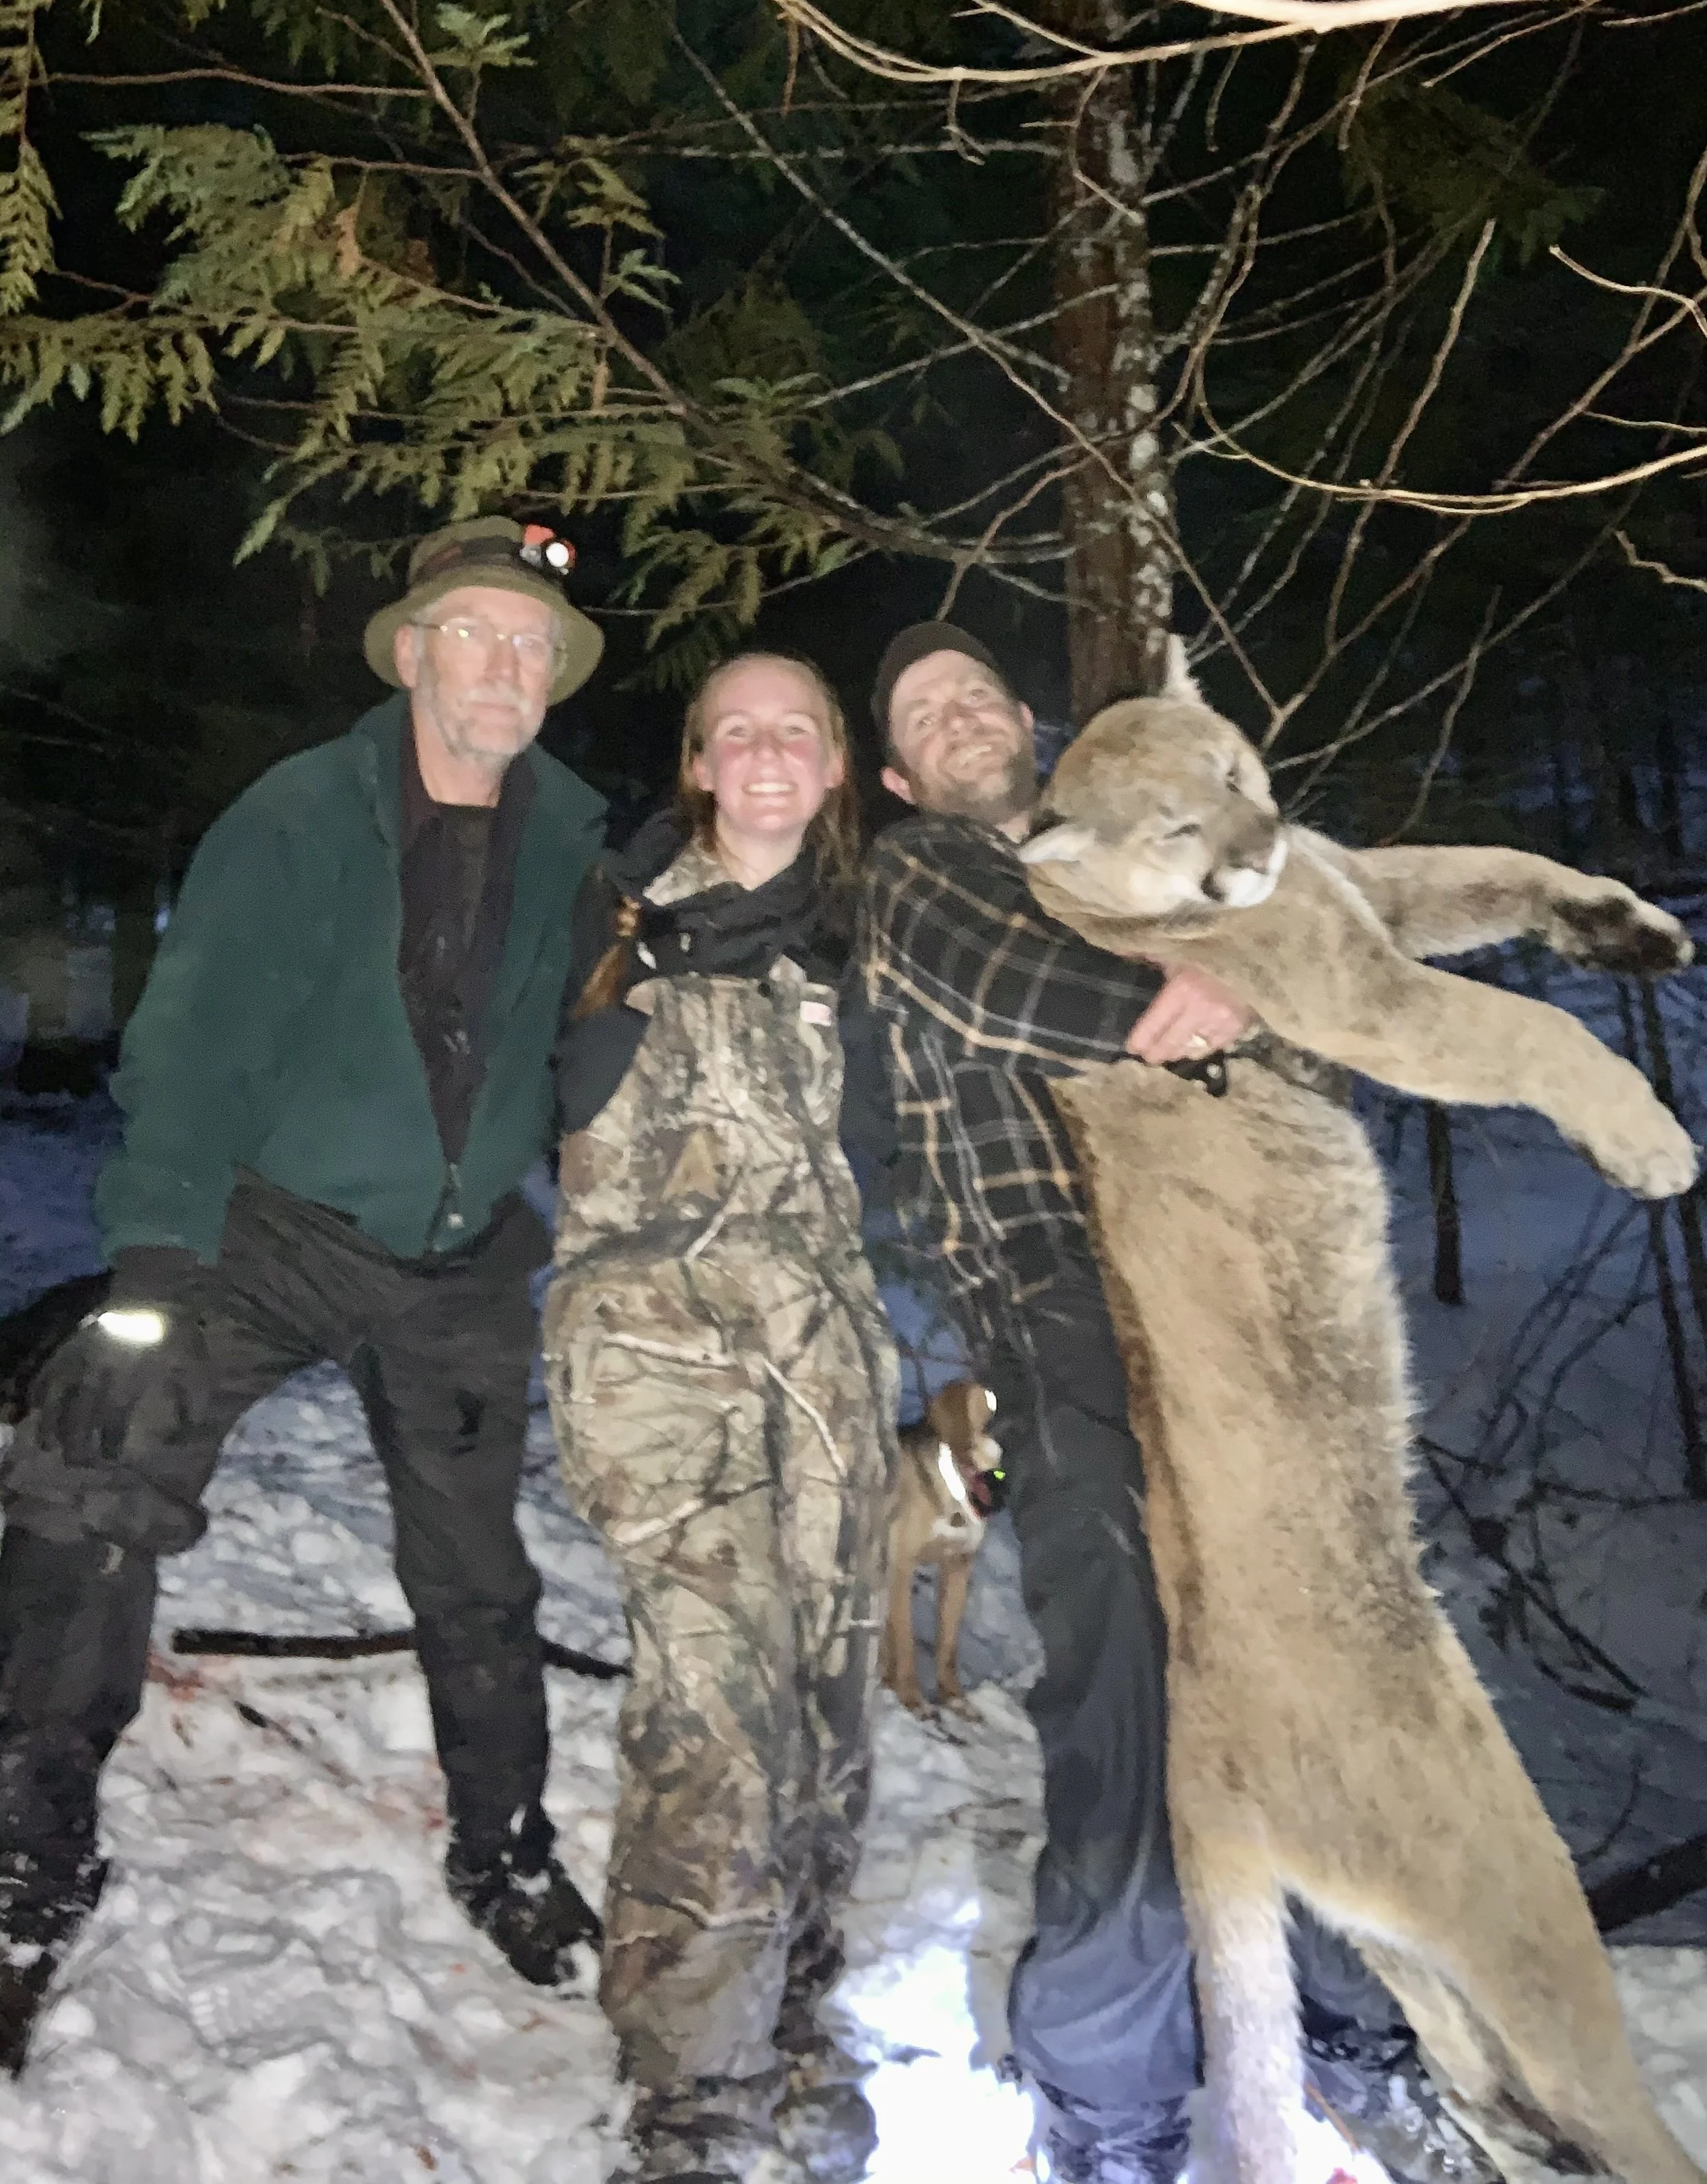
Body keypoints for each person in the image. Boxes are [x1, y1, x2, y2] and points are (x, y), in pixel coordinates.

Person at [856, 621, 1497, 2184]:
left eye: (973, 695)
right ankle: (1111, 2112)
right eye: (919, 716)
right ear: (894, 771)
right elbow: (1014, 992)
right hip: (1055, 1295)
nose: (955, 723)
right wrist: (1205, 986)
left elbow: (1314, 999)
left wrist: (1250, 983)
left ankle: (1354, 2043)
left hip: (1228, 1283)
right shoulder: (916, 877)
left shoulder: (1141, 853)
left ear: (1028, 718)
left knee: (1306, 1670)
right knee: (1127, 1693)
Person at [0, 515, 611, 2065]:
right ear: (409, 653)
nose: (502, 664)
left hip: (460, 1252)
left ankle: (506, 1844)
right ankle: (32, 1853)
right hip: (269, 1228)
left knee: (476, 1568)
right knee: (86, 1480)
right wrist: (148, 1274)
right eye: (470, 633)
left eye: (530, 642)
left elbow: (589, 1033)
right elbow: (189, 1046)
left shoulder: (574, 839)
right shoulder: (297, 816)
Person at [545, 651, 899, 2184]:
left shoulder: (869, 938)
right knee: (712, 1708)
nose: (762, 753)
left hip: (828, 1366)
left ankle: (794, 2019)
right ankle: (692, 2094)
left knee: (826, 1709)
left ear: (833, 768)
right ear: (699, 762)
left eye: (794, 732)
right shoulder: (617, 920)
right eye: (733, 731)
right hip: (657, 1354)